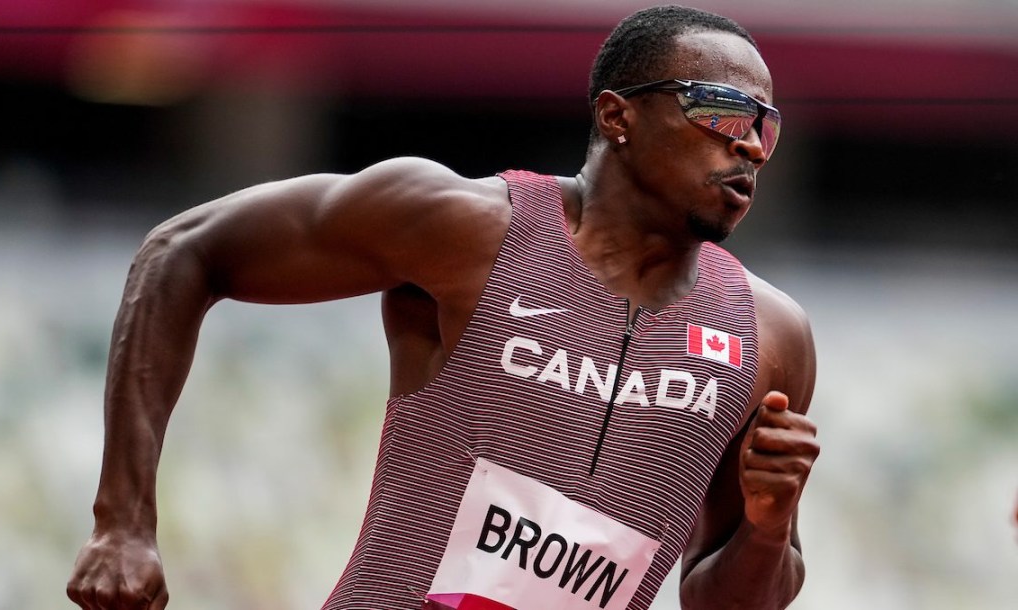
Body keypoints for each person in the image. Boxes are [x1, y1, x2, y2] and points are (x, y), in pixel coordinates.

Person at [67, 5, 819, 610]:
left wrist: (767, 525)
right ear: (618, 116)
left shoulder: (768, 336)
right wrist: (123, 522)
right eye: (723, 113)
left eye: (766, 126)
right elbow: (182, 249)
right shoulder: (465, 228)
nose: (751, 145)